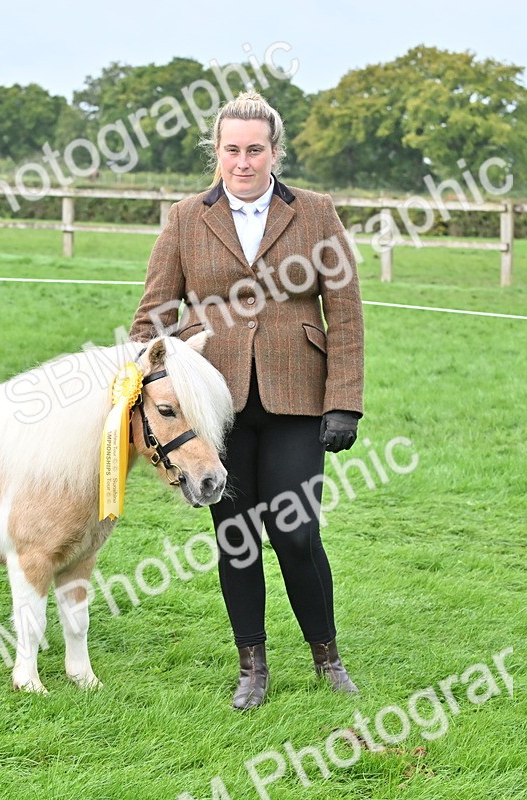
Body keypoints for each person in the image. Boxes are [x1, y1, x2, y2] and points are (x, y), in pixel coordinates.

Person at [129, 91, 365, 710]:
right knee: (235, 534)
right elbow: (152, 315)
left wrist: (344, 401)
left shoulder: (315, 213)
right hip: (215, 406)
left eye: (254, 149)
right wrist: (150, 378)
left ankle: (327, 656)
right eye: (231, 149)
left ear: (275, 152)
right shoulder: (185, 218)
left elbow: (344, 312)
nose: (242, 161)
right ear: (217, 151)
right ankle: (252, 666)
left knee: (296, 530)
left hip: (297, 400)